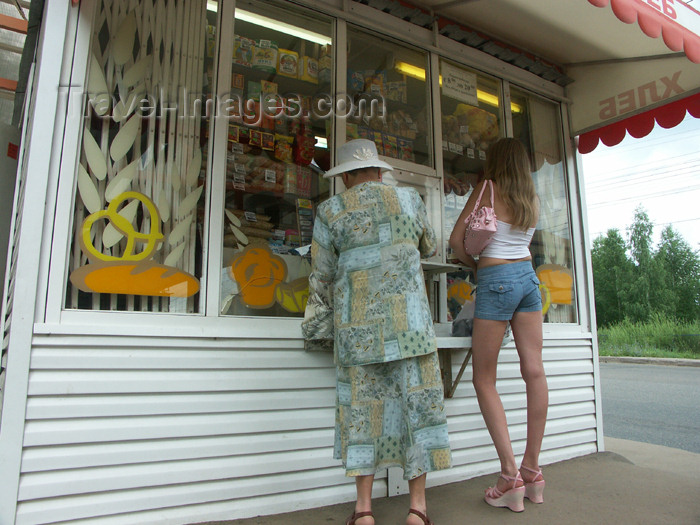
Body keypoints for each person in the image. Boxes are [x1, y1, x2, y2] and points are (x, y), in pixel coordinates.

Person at [302, 139, 451, 525]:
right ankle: (417, 508)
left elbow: (321, 275)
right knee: (416, 412)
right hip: (410, 328)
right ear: (380, 171)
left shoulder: (331, 210)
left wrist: (317, 330)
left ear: (347, 175)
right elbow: (430, 246)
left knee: (362, 416)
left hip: (359, 329)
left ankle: (364, 510)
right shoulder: (411, 200)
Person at [449, 137, 547, 513]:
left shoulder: (487, 189)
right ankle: (532, 471)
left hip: (497, 281)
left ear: (495, 162)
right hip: (528, 280)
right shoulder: (532, 198)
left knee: (483, 378)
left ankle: (509, 478)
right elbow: (521, 243)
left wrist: (477, 268)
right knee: (534, 372)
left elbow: (457, 241)